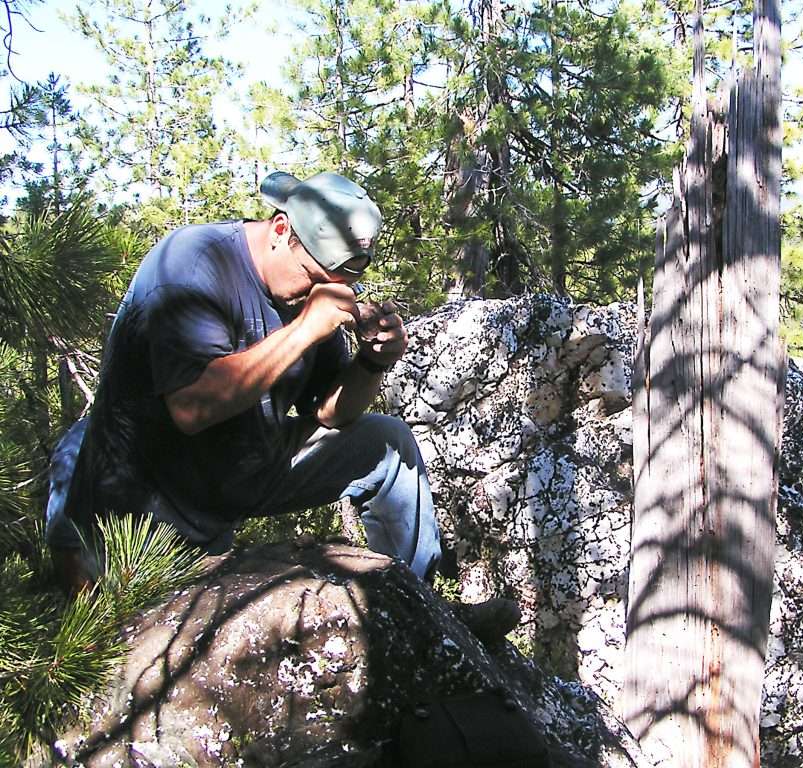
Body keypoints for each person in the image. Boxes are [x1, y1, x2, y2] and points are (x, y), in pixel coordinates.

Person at [46, 171, 519, 641]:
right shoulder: (192, 265)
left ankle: (422, 614)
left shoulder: (306, 292)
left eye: (341, 280)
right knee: (115, 641)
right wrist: (304, 329)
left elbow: (330, 414)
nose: (319, 292)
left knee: (388, 444)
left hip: (245, 470)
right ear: (279, 231)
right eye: (315, 277)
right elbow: (191, 409)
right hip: (145, 504)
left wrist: (372, 362)